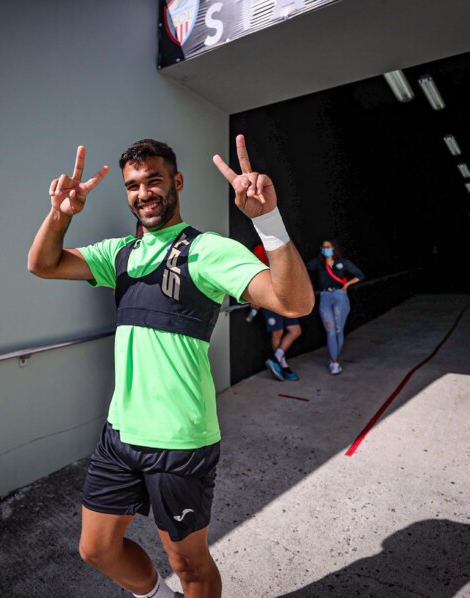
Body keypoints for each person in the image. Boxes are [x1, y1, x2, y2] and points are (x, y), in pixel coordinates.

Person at [27, 135, 314, 598]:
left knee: (189, 564)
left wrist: (268, 221)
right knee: (96, 549)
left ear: (176, 182)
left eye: (154, 180)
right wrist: (60, 214)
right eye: (133, 185)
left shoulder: (208, 250)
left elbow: (295, 303)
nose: (144, 193)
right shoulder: (118, 255)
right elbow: (42, 264)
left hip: (181, 442)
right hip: (120, 435)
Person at [306, 239, 365, 375]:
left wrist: (347, 285)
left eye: (328, 247)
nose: (326, 249)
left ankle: (334, 361)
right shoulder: (318, 263)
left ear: (334, 248)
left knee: (338, 329)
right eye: (324, 247)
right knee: (330, 330)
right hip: (325, 296)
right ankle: (334, 361)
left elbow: (360, 275)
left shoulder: (342, 262)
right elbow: (303, 268)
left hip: (340, 296)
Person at [249, 243, 302, 381]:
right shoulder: (260, 249)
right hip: (269, 298)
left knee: (295, 330)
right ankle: (283, 366)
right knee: (278, 332)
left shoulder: (285, 249)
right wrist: (254, 295)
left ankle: (275, 358)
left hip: (286, 298)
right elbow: (255, 273)